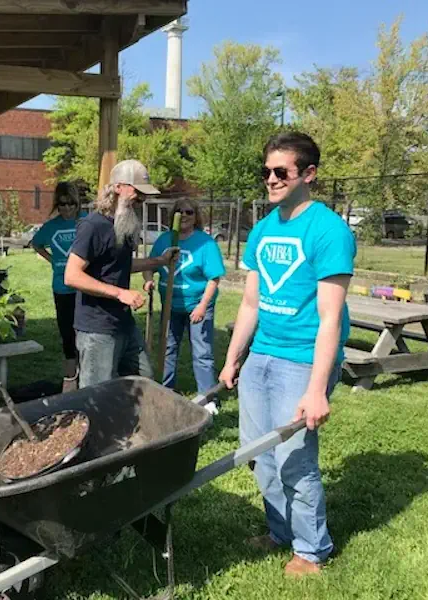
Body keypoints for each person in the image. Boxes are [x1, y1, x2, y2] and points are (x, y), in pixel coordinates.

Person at [219, 132, 356, 576]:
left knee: (295, 458)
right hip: (262, 354)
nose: (272, 180)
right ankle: (280, 531)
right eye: (266, 172)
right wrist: (233, 358)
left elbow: (330, 319)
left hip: (303, 359)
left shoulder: (328, 231)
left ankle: (312, 550)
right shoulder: (262, 229)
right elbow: (250, 304)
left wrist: (317, 390)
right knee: (259, 454)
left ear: (309, 174)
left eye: (282, 171)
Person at [64, 159, 178, 388]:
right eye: (137, 192)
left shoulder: (122, 226)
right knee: (97, 394)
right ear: (118, 188)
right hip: (97, 328)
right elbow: (72, 276)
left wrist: (159, 261)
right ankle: (98, 424)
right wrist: (120, 293)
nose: (142, 199)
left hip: (123, 323)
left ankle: (126, 422)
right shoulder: (93, 226)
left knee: (143, 380)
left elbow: (120, 265)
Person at [143, 198, 225, 403]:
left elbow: (213, 278)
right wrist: (148, 280)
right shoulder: (165, 240)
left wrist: (202, 306)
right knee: (168, 347)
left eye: (189, 212)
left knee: (202, 351)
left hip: (197, 304)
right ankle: (165, 390)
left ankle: (208, 398)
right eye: (180, 212)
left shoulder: (205, 243)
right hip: (170, 304)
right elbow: (149, 265)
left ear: (196, 216)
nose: (185, 216)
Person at [30, 182, 87, 391]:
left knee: (86, 332)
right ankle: (71, 378)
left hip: (84, 286)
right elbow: (35, 243)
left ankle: (88, 374)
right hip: (62, 287)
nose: (67, 208)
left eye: (71, 203)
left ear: (77, 203)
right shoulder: (51, 227)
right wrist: (52, 259)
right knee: (67, 333)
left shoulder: (84, 223)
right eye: (62, 204)